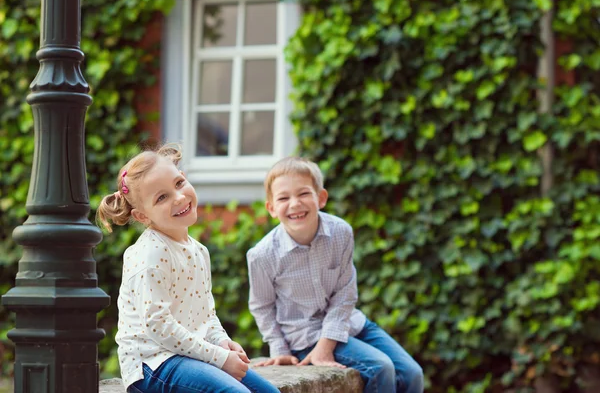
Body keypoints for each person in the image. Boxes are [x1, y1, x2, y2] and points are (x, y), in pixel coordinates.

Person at [96, 144, 279, 393]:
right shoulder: (150, 254)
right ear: (142, 216)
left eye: (179, 183)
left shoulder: (198, 251)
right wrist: (220, 358)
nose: (179, 197)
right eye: (162, 197)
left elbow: (206, 315)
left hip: (188, 356)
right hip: (153, 365)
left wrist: (222, 342)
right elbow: (159, 327)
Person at [247, 156, 424, 393]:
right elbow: (262, 306)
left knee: (413, 373)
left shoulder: (340, 232)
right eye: (283, 198)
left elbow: (345, 292)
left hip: (351, 323)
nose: (295, 204)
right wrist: (280, 349)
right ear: (271, 208)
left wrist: (327, 344)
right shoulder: (262, 255)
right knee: (381, 368)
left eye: (303, 194)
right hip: (305, 336)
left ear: (321, 198)